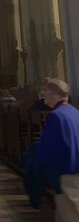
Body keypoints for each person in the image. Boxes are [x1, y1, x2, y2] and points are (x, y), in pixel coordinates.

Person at [35, 78, 79, 219]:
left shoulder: (56, 116)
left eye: (46, 91)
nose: (43, 95)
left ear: (54, 93)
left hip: (67, 174)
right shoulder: (75, 112)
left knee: (70, 215)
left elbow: (47, 149)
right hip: (74, 172)